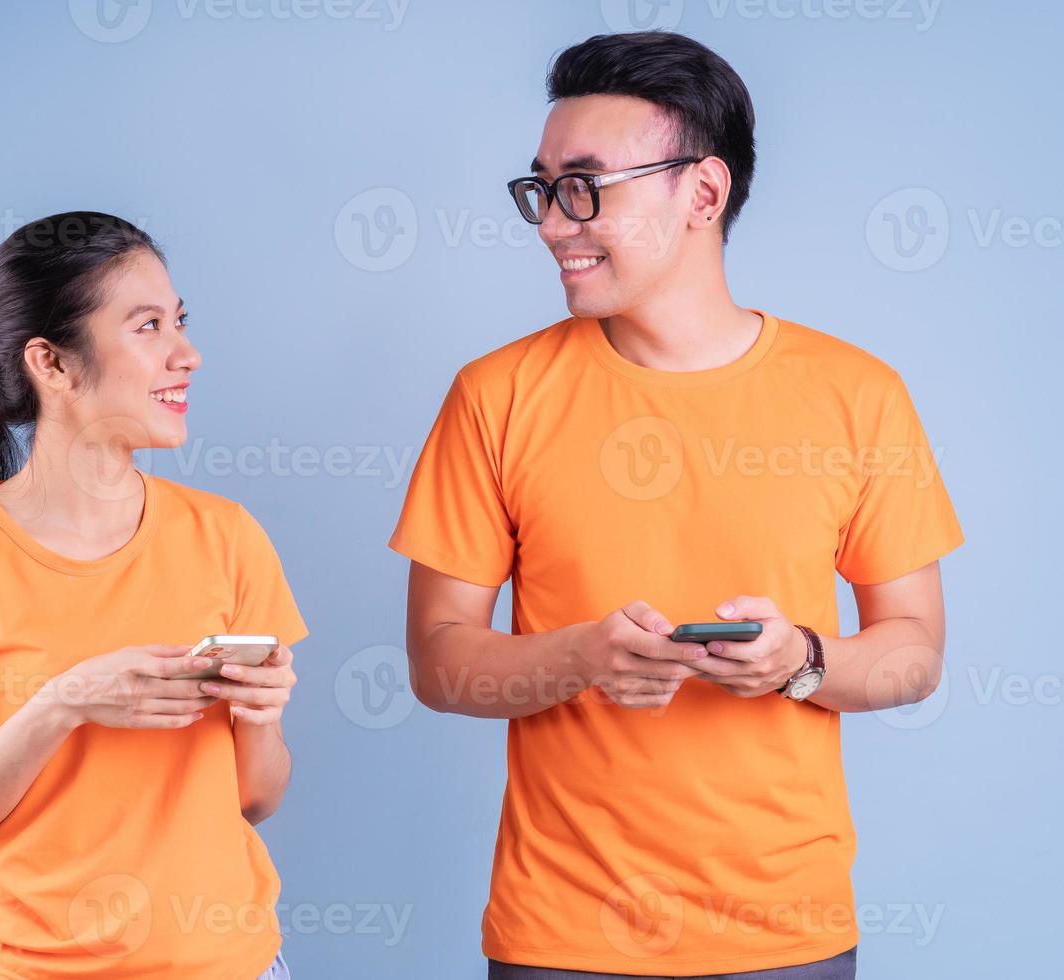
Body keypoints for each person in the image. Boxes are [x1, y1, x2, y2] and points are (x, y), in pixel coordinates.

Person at [388, 32, 963, 979]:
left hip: (788, 937)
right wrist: (580, 656)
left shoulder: (858, 395)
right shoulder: (495, 396)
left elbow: (914, 654)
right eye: (542, 188)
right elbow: (440, 665)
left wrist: (801, 663)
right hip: (560, 938)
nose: (550, 222)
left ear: (702, 192)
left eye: (584, 186)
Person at [0, 212, 305, 979]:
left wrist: (261, 717)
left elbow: (254, 799)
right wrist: (63, 704)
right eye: (148, 327)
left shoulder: (228, 538)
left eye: (181, 322)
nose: (187, 354)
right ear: (52, 364)